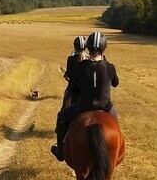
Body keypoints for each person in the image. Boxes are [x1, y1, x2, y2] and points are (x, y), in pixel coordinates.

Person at [51, 31, 119, 161]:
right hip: (105, 107)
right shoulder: (110, 66)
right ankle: (119, 149)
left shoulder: (80, 66)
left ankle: (60, 150)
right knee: (115, 125)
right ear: (104, 48)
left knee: (61, 117)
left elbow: (72, 88)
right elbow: (116, 83)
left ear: (88, 48)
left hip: (84, 106)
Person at [62, 35, 88, 108]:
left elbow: (69, 75)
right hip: (85, 90)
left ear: (75, 46)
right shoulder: (88, 59)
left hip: (72, 89)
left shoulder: (70, 59)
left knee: (63, 111)